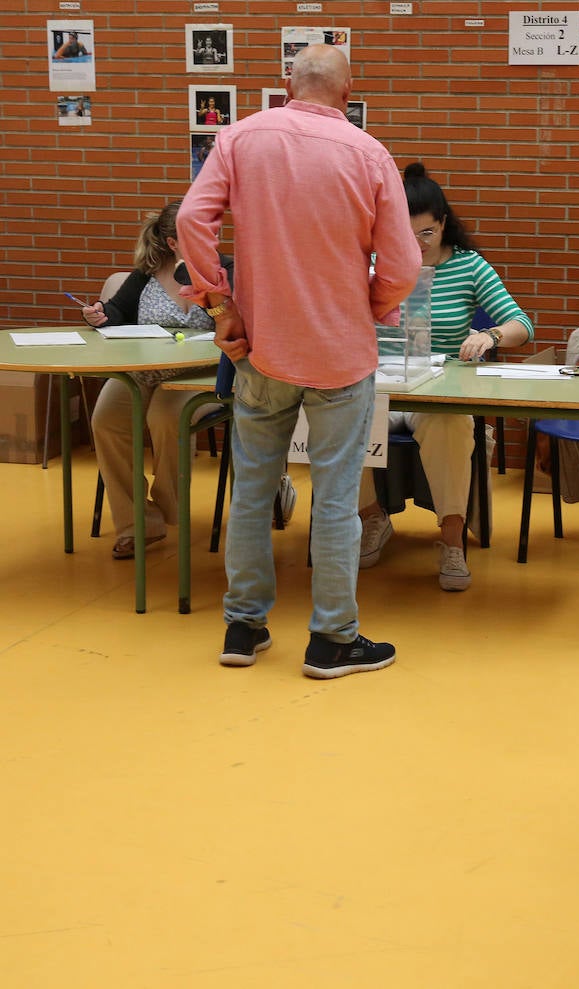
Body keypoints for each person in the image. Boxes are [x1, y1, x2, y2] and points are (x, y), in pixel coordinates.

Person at [177, 43, 421, 680]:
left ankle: (243, 626)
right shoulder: (368, 154)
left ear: (287, 84)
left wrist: (220, 305)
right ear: (347, 92)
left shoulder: (239, 139)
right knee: (336, 501)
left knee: (254, 491)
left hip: (261, 351)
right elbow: (402, 266)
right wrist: (370, 305)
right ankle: (333, 639)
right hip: (341, 355)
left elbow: (191, 218)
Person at [357, 162, 533, 591]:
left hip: (438, 391)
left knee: (450, 424)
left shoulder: (469, 266)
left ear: (443, 224)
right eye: (405, 232)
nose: (416, 244)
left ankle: (451, 539)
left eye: (427, 234)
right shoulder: (375, 264)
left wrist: (490, 336)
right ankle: (372, 518)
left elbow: (521, 326)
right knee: (347, 418)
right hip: (383, 385)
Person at [80, 202, 225, 559]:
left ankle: (169, 507)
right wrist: (100, 314)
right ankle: (138, 523)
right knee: (106, 421)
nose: (209, 239)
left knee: (165, 417)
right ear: (173, 243)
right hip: (143, 370)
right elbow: (117, 311)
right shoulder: (146, 273)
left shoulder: (223, 271)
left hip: (197, 375)